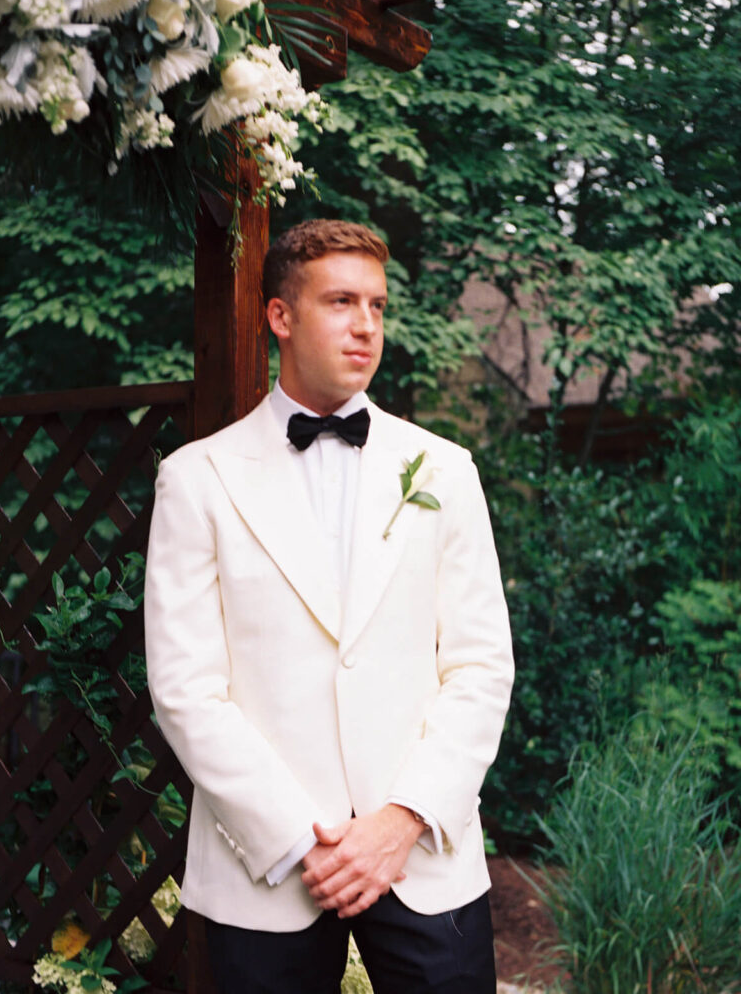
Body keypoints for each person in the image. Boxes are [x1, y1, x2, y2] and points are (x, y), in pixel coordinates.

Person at [144, 219, 514, 994]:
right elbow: (186, 690)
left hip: (423, 855)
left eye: (377, 305)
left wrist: (399, 821)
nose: (366, 325)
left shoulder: (445, 471)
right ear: (281, 316)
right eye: (341, 301)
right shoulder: (197, 479)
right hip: (267, 869)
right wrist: (297, 840)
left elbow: (480, 668)